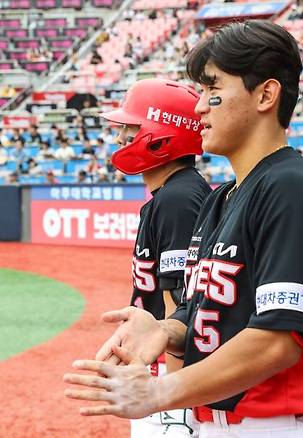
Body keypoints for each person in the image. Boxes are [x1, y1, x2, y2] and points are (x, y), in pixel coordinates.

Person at [64, 20, 303, 438]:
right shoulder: (222, 197)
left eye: (213, 91)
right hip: (216, 423)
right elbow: (199, 311)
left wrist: (160, 392)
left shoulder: (291, 185)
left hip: (272, 426)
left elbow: (278, 339)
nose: (198, 109)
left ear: (266, 95)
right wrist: (165, 329)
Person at [96, 78, 212, 437]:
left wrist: (173, 403)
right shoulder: (172, 193)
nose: (120, 140)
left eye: (130, 130)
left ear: (162, 135)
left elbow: (180, 303)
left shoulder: (177, 198)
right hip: (160, 366)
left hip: (169, 371)